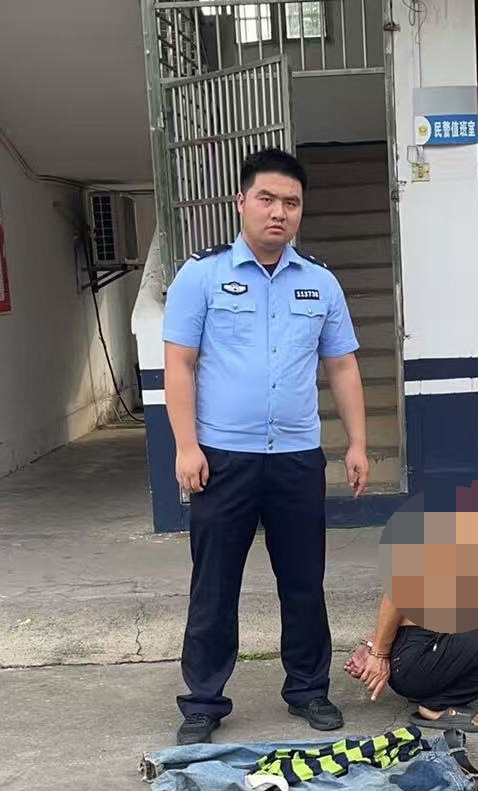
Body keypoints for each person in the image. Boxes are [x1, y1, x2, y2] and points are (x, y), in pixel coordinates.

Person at [162, 148, 370, 744]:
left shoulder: (320, 283)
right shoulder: (201, 276)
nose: (279, 212)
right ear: (242, 203)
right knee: (215, 582)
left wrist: (357, 443)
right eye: (267, 199)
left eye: (291, 203)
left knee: (303, 581)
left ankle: (308, 689)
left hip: (296, 458)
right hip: (221, 457)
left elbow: (343, 367)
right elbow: (179, 364)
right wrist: (185, 446)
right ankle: (203, 700)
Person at [346, 566, 478, 734]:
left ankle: (436, 683)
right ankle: (438, 704)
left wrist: (370, 644)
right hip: (418, 657)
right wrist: (378, 652)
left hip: (437, 635)